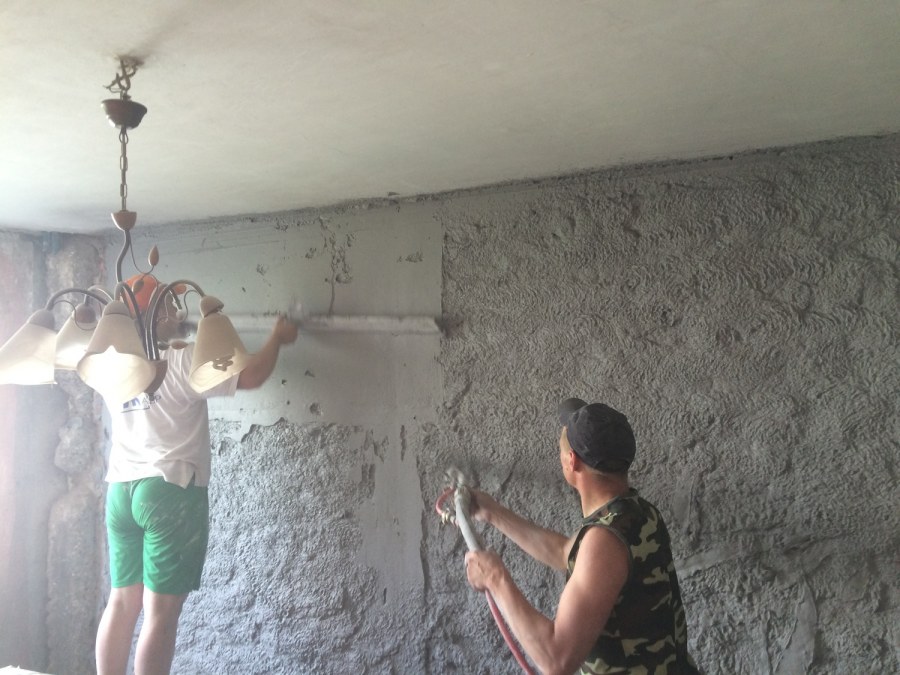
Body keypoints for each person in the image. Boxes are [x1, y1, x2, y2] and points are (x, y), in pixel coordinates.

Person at [94, 275, 299, 675]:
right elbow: (251, 375)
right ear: (156, 315)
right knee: (160, 613)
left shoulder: (114, 364)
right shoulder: (180, 359)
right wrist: (277, 337)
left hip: (121, 492)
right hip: (167, 492)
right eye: (170, 306)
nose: (178, 313)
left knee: (120, 602)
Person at [464, 398, 700, 675]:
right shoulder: (634, 512)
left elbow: (556, 660)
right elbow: (565, 552)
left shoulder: (604, 541)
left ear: (571, 461)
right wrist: (493, 513)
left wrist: (496, 579)